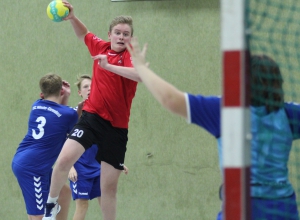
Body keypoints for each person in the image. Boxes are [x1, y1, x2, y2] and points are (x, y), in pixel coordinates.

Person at [126, 38, 300, 219]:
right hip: (283, 210)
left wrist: (141, 68)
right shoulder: (289, 114)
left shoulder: (225, 112)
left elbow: (170, 99)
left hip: (241, 210)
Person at [43, 1, 141, 219]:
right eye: (117, 33)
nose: (121, 37)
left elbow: (140, 75)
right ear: (110, 34)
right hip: (92, 118)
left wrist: (108, 66)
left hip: (116, 128)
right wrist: (72, 18)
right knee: (63, 161)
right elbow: (84, 34)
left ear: (130, 38)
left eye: (126, 34)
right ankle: (51, 205)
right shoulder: (101, 47)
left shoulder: (131, 56)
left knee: (108, 188)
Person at [11, 73, 79, 220]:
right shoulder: (69, 114)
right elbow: (64, 118)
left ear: (41, 94)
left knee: (63, 193)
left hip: (28, 160)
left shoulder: (36, 105)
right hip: (32, 168)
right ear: (61, 91)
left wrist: (63, 96)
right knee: (38, 216)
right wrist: (66, 96)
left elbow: (59, 116)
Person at [68, 75, 129, 220]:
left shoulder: (102, 113)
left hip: (99, 167)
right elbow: (63, 142)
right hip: (80, 169)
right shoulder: (72, 114)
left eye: (92, 86)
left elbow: (107, 141)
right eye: (85, 87)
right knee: (82, 206)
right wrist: (70, 167)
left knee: (106, 204)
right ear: (79, 92)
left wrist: (116, 162)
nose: (89, 89)